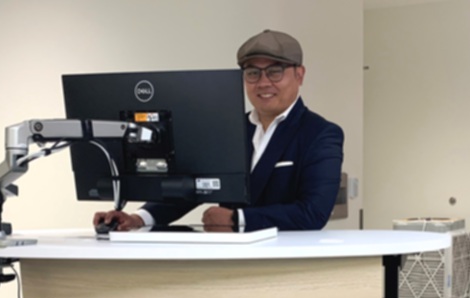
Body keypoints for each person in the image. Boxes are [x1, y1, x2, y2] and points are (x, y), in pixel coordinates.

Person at [92, 29, 344, 234]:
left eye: (275, 71)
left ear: (299, 75)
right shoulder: (230, 130)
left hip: (282, 266)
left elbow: (313, 212)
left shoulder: (321, 134)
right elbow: (194, 187)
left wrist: (239, 218)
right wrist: (139, 218)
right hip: (227, 261)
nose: (264, 82)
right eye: (253, 73)